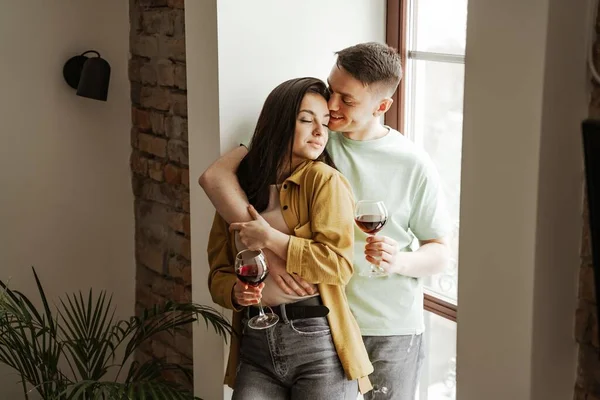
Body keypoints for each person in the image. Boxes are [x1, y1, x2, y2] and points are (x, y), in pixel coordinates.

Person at [201, 42, 451, 400]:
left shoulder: (412, 163)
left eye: (347, 100)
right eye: (332, 89)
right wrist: (267, 248)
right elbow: (218, 178)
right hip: (322, 320)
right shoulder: (315, 136)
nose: (332, 107)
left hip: (386, 326)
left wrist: (400, 260)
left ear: (381, 107)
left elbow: (440, 252)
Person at [206, 77, 373, 400]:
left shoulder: (325, 181)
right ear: (279, 122)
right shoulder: (239, 191)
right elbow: (218, 274)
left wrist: (269, 238)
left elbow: (339, 266)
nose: (319, 132)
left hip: (317, 345)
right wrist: (236, 293)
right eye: (307, 120)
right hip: (255, 347)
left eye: (324, 123)